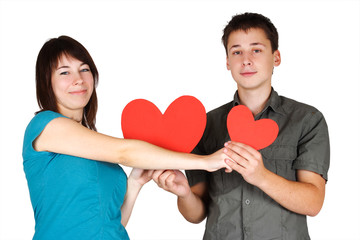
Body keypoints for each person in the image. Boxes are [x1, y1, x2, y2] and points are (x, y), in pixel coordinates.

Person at [22, 35, 231, 240]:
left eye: (84, 69)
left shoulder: (91, 144)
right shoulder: (45, 126)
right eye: (64, 72)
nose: (78, 79)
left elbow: (111, 224)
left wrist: (134, 184)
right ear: (46, 82)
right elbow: (123, 152)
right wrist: (206, 162)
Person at [152, 12, 330, 239]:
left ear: (276, 57)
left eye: (256, 50)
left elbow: (313, 203)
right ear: (227, 61)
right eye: (237, 52)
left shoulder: (307, 120)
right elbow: (196, 214)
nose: (246, 59)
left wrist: (261, 176)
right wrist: (184, 193)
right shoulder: (206, 124)